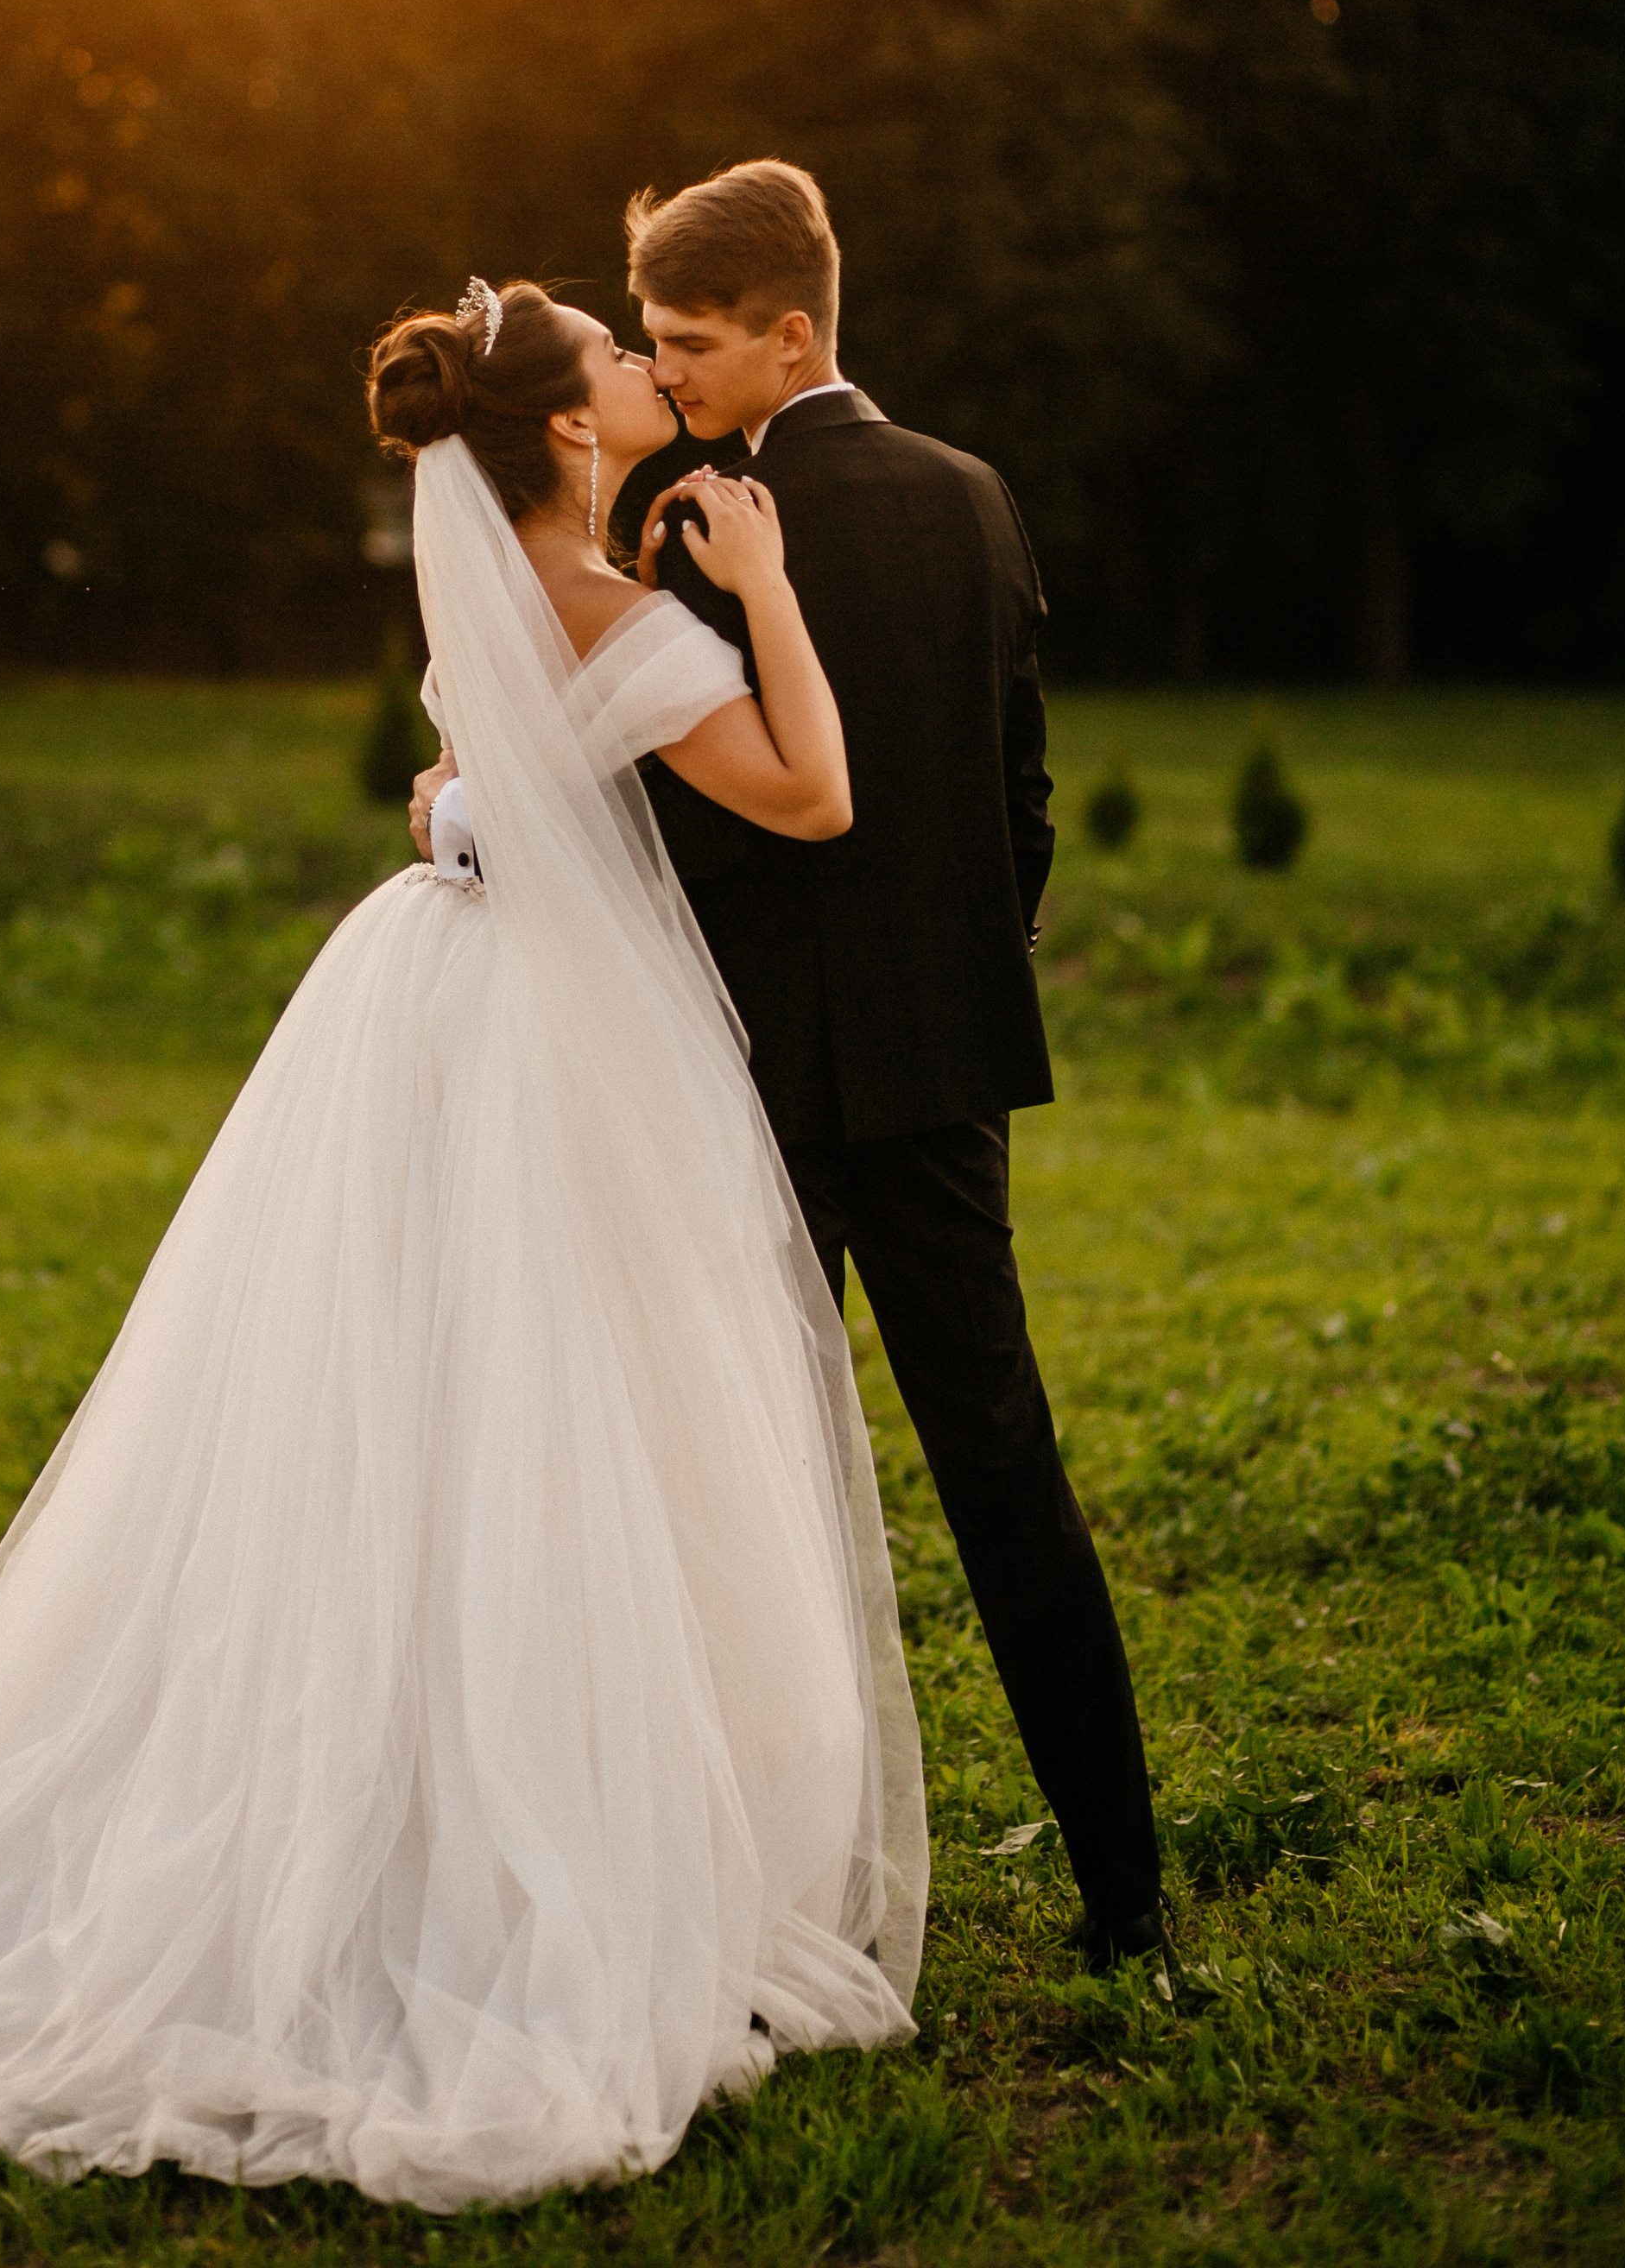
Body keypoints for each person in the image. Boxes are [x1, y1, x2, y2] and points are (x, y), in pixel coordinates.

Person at [0, 278, 926, 2214]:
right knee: (557, 1421)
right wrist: (771, 590)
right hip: (546, 1044)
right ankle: (506, 1851)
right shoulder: (623, 610)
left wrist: (470, 798)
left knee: (405, 1412)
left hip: (419, 1011)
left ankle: (384, 1791)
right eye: (617, 357)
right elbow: (811, 793)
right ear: (568, 431)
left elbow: (501, 789)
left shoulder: (498, 583)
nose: (649, 371)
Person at [419, 166, 1165, 1974]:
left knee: (738, 1486)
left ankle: (738, 1881)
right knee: (1000, 1465)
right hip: (934, 1070)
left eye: (681, 346)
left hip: (738, 1078)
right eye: (646, 349)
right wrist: (966, 971)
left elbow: (691, 826)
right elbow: (1019, 801)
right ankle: (1121, 1883)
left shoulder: (680, 513)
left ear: (787, 332)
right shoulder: (972, 499)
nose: (664, 381)